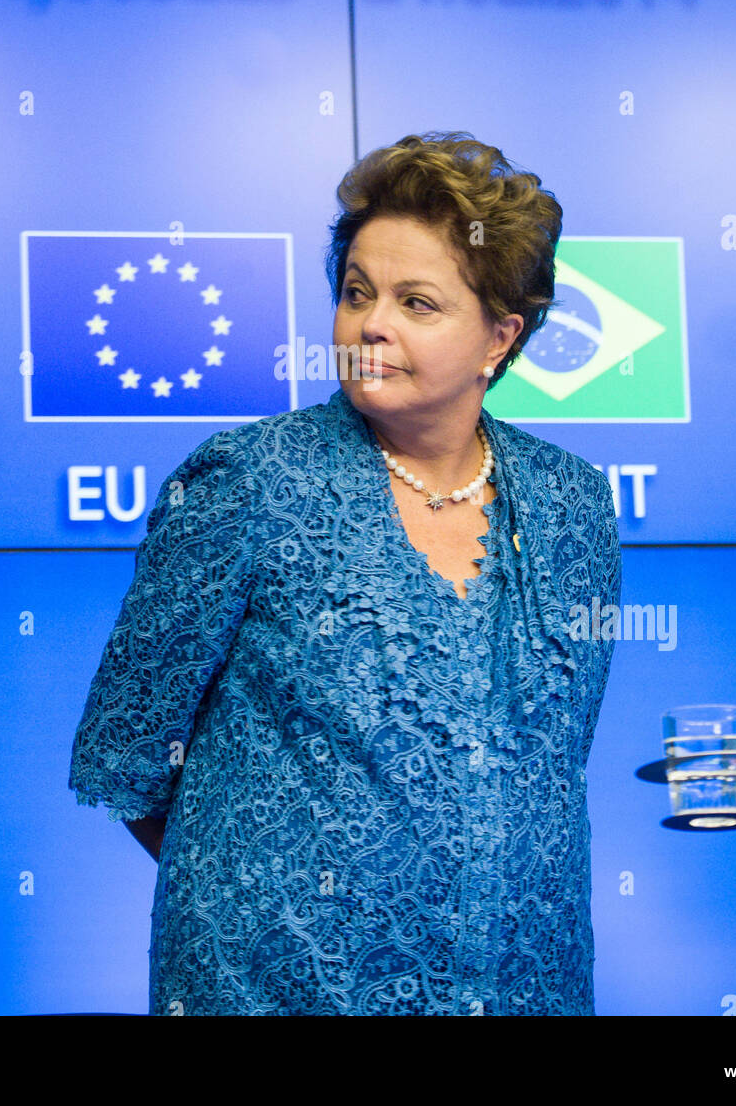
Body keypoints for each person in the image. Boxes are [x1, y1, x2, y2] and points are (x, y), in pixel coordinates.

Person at [69, 132, 622, 1015]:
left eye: (417, 302)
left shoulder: (574, 506)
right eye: (357, 292)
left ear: (500, 336)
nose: (372, 324)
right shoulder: (248, 482)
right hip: (274, 991)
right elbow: (129, 752)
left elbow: (547, 766)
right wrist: (279, 900)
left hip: (525, 984)